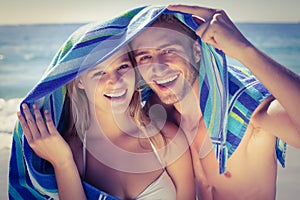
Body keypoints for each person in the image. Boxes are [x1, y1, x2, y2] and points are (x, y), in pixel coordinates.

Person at [130, 4, 300, 200]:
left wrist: (243, 49)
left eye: (169, 51)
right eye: (145, 57)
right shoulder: (159, 112)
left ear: (196, 51)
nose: (157, 68)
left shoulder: (247, 111)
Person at [16, 45, 195, 200]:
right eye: (99, 72)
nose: (115, 81)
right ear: (79, 82)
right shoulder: (73, 152)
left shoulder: (166, 139)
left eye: (123, 67)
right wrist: (63, 163)